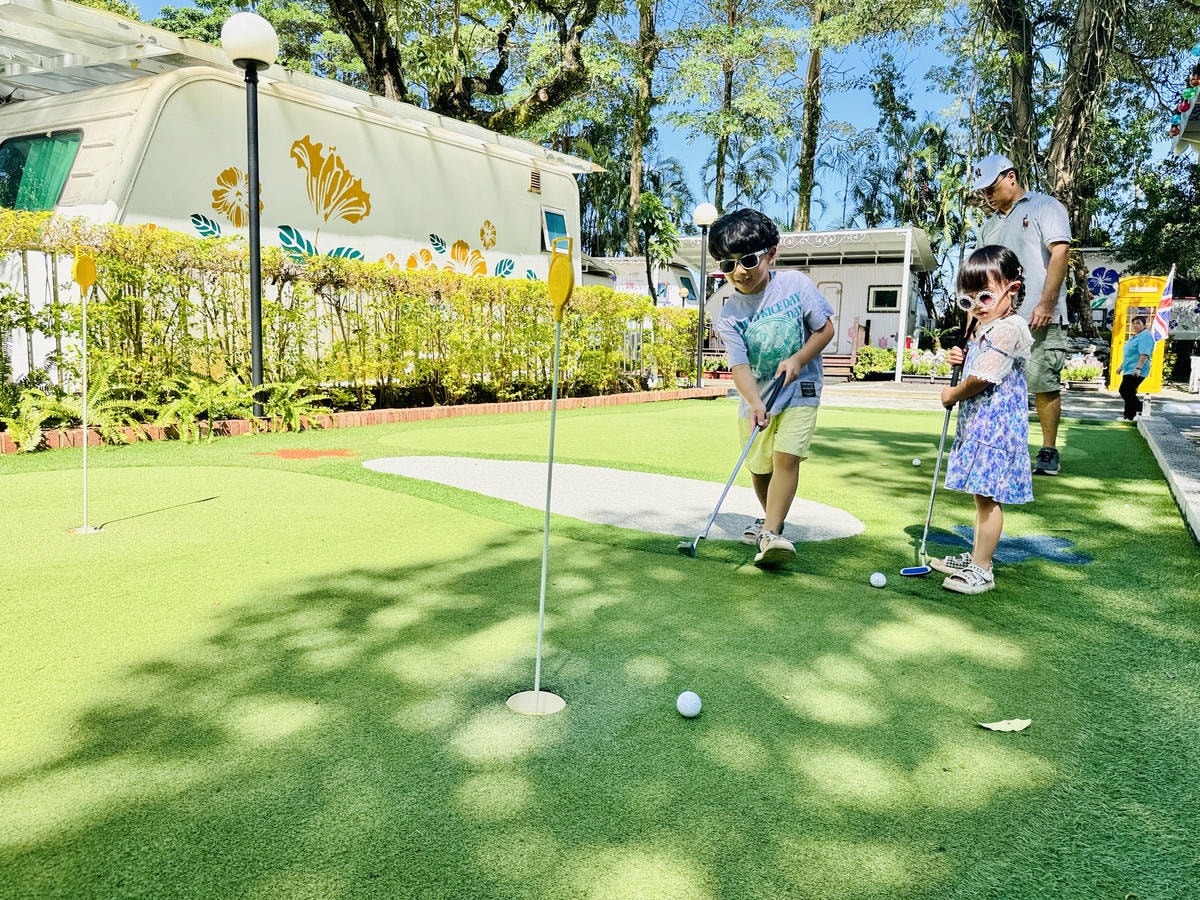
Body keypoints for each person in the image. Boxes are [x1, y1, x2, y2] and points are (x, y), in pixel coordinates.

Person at [710, 208, 835, 569]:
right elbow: (740, 366)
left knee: (786, 458)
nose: (740, 271)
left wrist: (798, 359)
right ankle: (772, 522)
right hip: (758, 398)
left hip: (801, 391)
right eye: (728, 265)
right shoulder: (730, 314)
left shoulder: (796, 285)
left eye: (748, 259)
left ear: (771, 253)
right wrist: (753, 402)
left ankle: (770, 531)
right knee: (760, 468)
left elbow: (824, 329)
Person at [929, 245, 1034, 595]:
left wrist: (952, 393)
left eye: (985, 296)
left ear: (1012, 290)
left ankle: (983, 568)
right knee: (981, 495)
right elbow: (974, 364)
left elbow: (983, 378)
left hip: (997, 426)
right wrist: (959, 355)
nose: (976, 306)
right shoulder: (986, 325)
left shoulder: (1010, 328)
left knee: (989, 498)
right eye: (969, 299)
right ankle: (977, 554)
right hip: (981, 423)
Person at [970, 153, 1072, 476]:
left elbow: (1061, 251)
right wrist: (974, 320)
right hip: (998, 324)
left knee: (1042, 382)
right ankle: (1000, 445)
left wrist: (1046, 302)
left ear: (1010, 178)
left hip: (1039, 317)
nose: (986, 195)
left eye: (991, 187)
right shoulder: (988, 227)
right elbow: (981, 276)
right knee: (995, 386)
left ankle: (1048, 451)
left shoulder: (1045, 207)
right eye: (982, 190)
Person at [1118, 315, 1155, 420]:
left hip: (1137, 369)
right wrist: (1121, 366)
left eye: (1138, 323)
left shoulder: (1145, 336)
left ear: (1144, 325)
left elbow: (1144, 353)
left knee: (1125, 391)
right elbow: (1129, 354)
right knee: (1129, 392)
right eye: (1133, 323)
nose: (1135, 325)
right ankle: (1129, 416)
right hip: (1128, 368)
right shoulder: (1133, 337)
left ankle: (1142, 409)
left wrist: (1138, 368)